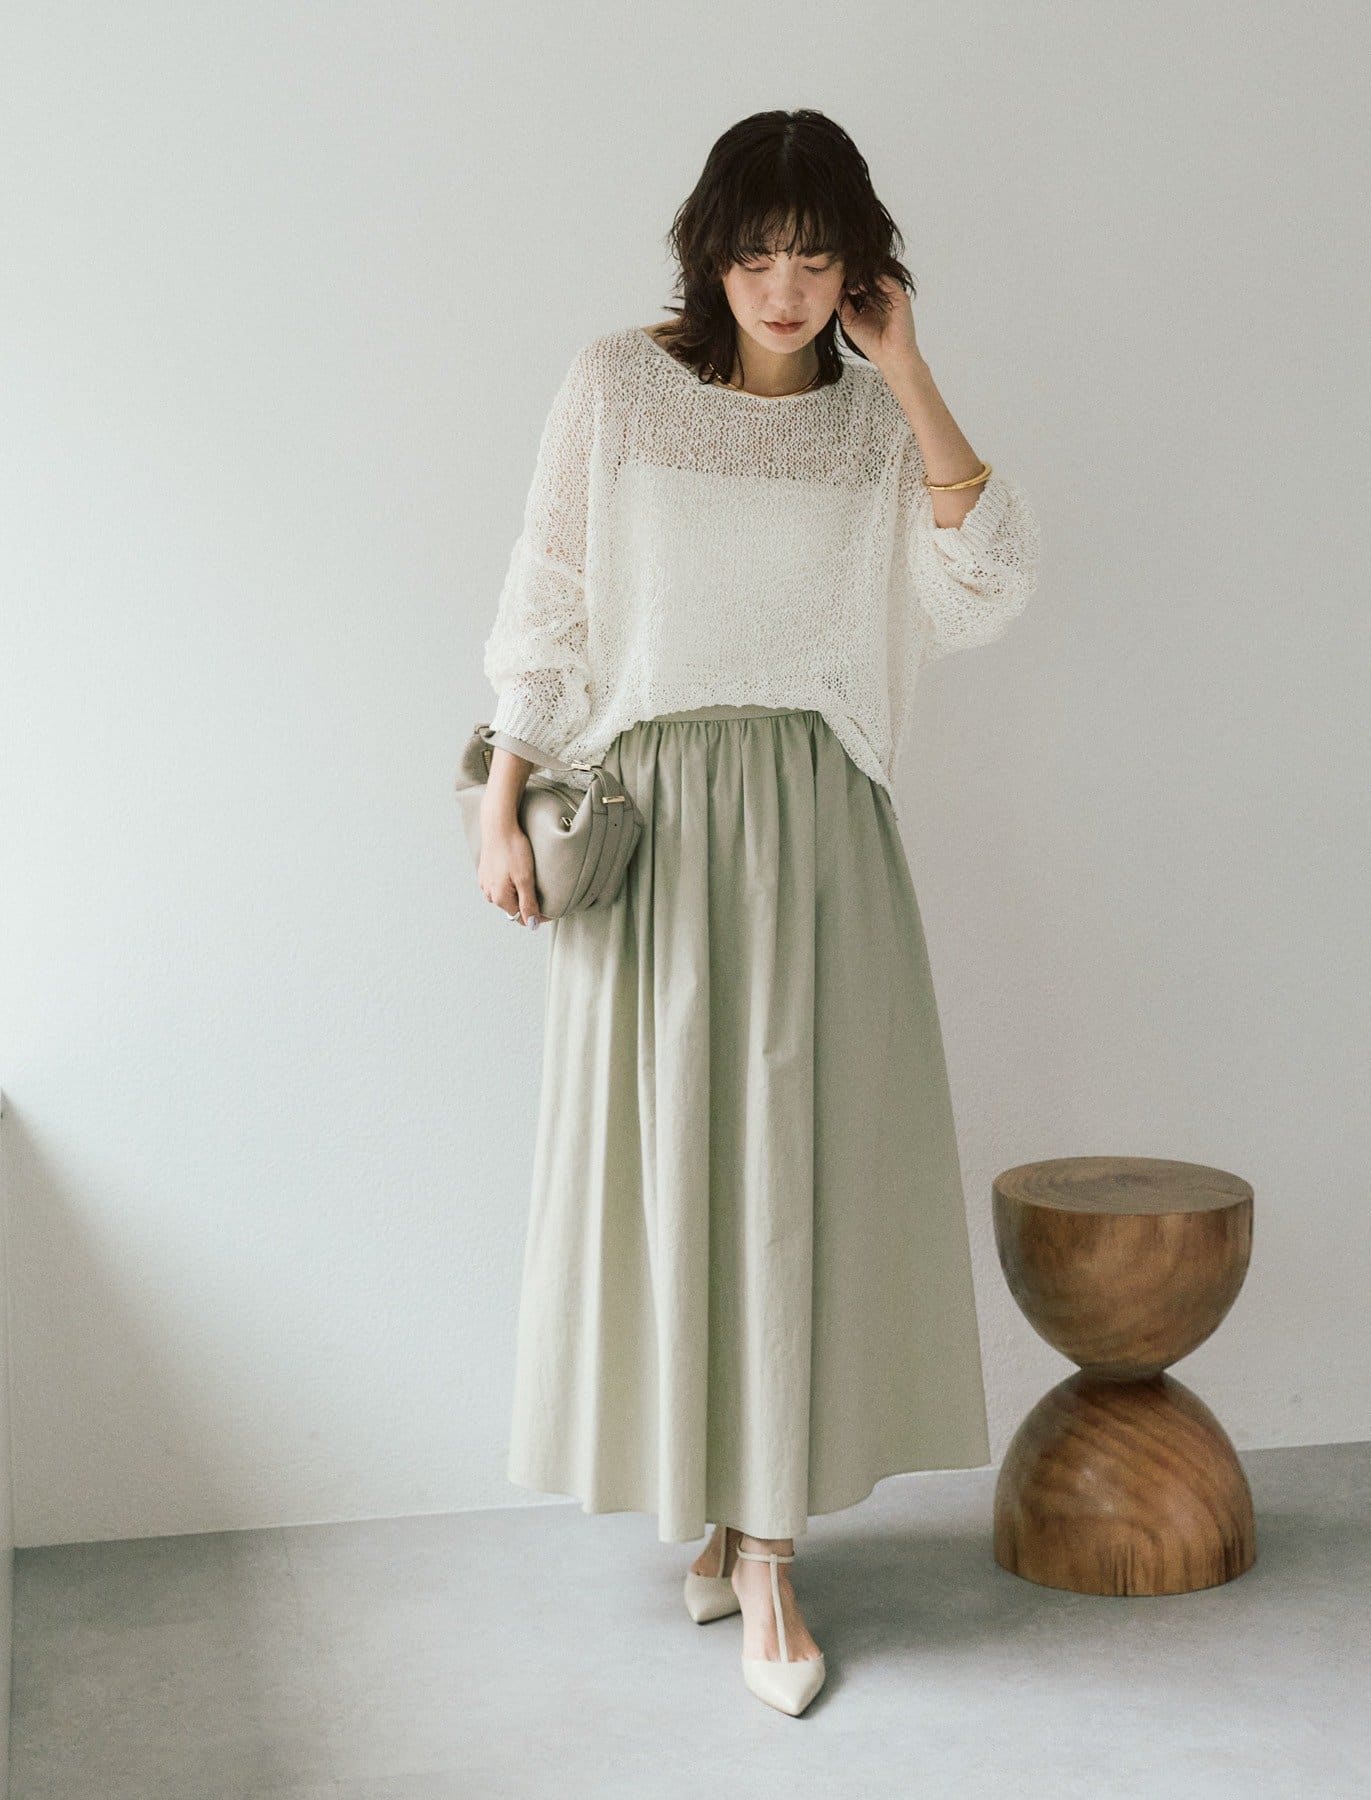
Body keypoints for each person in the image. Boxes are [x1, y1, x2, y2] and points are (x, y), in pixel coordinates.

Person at [474, 108, 1038, 1717]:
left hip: (814, 825)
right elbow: (550, 595)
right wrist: (503, 797)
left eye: (815, 256)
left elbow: (985, 587)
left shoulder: (872, 429)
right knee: (678, 1178)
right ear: (708, 256)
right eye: (755, 254)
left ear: (860, 268)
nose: (784, 287)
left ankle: (773, 1553)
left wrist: (910, 373)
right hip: (651, 826)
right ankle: (719, 1511)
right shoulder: (617, 387)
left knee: (795, 1178)